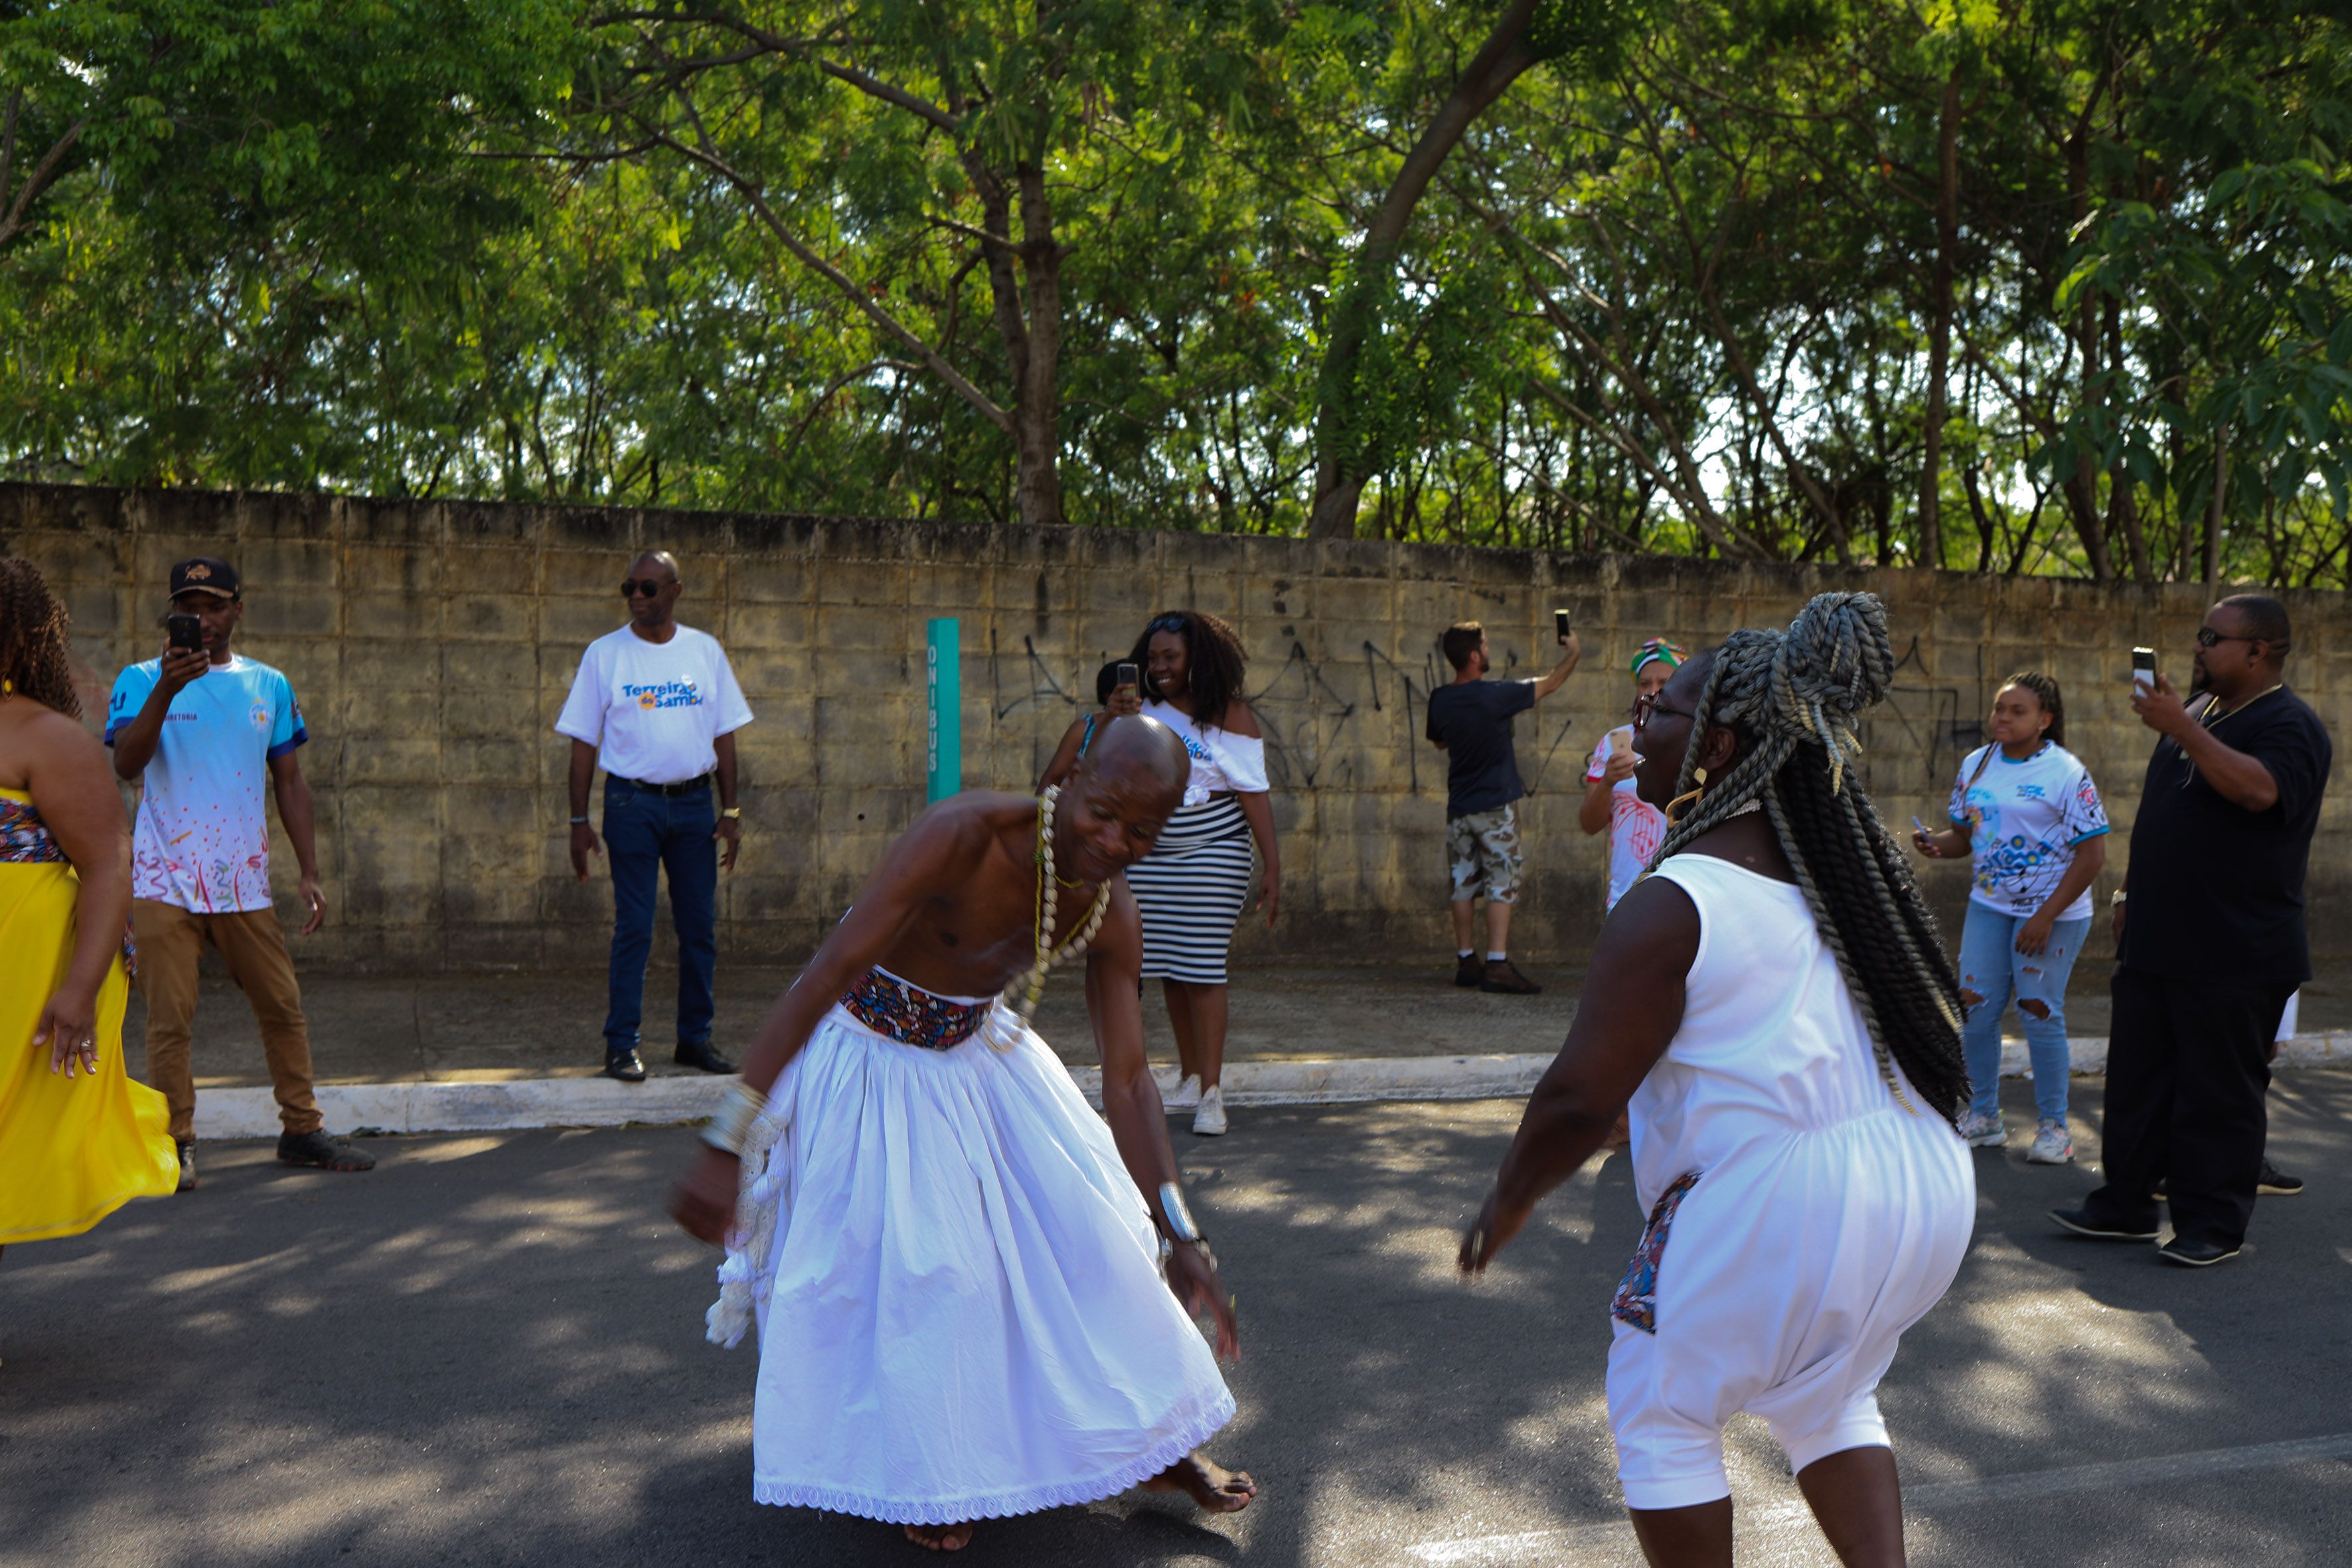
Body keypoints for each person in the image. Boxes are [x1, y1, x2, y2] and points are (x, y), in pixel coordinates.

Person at [1460, 593, 1974, 1568]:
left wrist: (1508, 1194)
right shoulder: (1840, 881)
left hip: (1785, 1203)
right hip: (1923, 1181)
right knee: (1826, 1397)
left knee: (1658, 1403)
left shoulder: (1674, 896)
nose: (1638, 725)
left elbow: (1576, 1096)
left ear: (1720, 742)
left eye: (1661, 713)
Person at [666, 716, 1253, 1553]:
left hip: (977, 1053)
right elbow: (829, 973)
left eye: (1141, 833)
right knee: (930, 1275)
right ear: (1072, 777)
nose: (1114, 841)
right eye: (1105, 813)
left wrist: (1181, 1230)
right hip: (863, 1052)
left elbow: (1127, 1079)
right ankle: (925, 1473)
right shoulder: (963, 836)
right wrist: (726, 1138)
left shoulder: (1109, 908)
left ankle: (1145, 1448)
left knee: (1103, 1239)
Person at [2052, 594, 2331, 1268]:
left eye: (2213, 637)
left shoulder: (2291, 724)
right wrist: (2127, 893)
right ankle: (2125, 1203)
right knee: (2138, 1080)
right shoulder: (2203, 715)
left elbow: (2259, 792)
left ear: (2257, 651)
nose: (2198, 647)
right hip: (2159, 937)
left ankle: (2212, 1224)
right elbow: (2162, 816)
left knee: (2219, 1092)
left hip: (2237, 947)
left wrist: (2182, 728)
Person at [106, 556, 371, 1190]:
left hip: (242, 881)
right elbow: (127, 765)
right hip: (163, 878)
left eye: (215, 606)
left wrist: (309, 870)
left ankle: (301, 1129)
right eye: (189, 608)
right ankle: (179, 1144)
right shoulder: (141, 678)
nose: (203, 619)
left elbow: (290, 780)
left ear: (238, 610)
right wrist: (168, 689)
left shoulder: (269, 685)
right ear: (172, 613)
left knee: (281, 1005)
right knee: (170, 1020)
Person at [1, 558, 178, 1254]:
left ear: (14, 637)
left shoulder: (45, 737)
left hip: (26, 972)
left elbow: (108, 863)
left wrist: (77, 992)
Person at [558, 551, 753, 1083]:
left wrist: (730, 812)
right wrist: (578, 823)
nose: (637, 598)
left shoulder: (704, 651)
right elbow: (582, 742)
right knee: (635, 929)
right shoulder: (605, 655)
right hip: (631, 804)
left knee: (699, 929)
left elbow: (724, 734)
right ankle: (622, 1044)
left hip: (694, 806)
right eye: (630, 589)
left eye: (648, 588)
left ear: (675, 591)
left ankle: (695, 1038)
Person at [1912, 674, 2106, 1164]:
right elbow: (1964, 837)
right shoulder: (1976, 765)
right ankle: (1984, 1116)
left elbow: (2091, 856)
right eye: (1999, 708)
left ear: (2044, 720)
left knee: (2039, 1011)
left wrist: (2044, 916)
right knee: (1975, 1009)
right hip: (1990, 907)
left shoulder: (2066, 773)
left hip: (2051, 914)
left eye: (2016, 711)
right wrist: (1937, 844)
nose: (2002, 717)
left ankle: (2054, 1128)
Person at [1123, 610, 1278, 1137]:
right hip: (1152, 853)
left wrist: (1272, 866)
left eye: (1171, 657)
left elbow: (1254, 795)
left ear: (1198, 658)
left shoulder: (1230, 715)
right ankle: (1189, 1077)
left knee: (1204, 965)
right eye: (1154, 658)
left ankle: (1212, 1093)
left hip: (1214, 848)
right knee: (1168, 963)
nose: (1160, 666)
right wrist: (1115, 719)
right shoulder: (1144, 710)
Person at [1427, 619, 1581, 993]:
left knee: (1462, 882)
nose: (1490, 649)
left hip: (1459, 807)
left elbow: (1441, 743)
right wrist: (1573, 651)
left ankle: (1467, 960)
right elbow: (1552, 683)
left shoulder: (1440, 698)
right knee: (1502, 881)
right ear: (1476, 656)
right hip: (1495, 806)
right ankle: (1497, 963)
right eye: (1486, 644)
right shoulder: (1497, 695)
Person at [1581, 639, 1684, 912]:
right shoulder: (1614, 741)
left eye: (1664, 682)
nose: (1654, 691)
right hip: (1625, 898)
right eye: (1645, 684)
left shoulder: (1700, 743)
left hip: (1683, 895)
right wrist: (1608, 782)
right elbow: (1590, 824)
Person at [1038, 660, 1144, 790]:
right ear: (1108, 696)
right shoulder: (1084, 728)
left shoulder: (1150, 726)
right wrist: (1040, 808)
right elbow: (1053, 778)